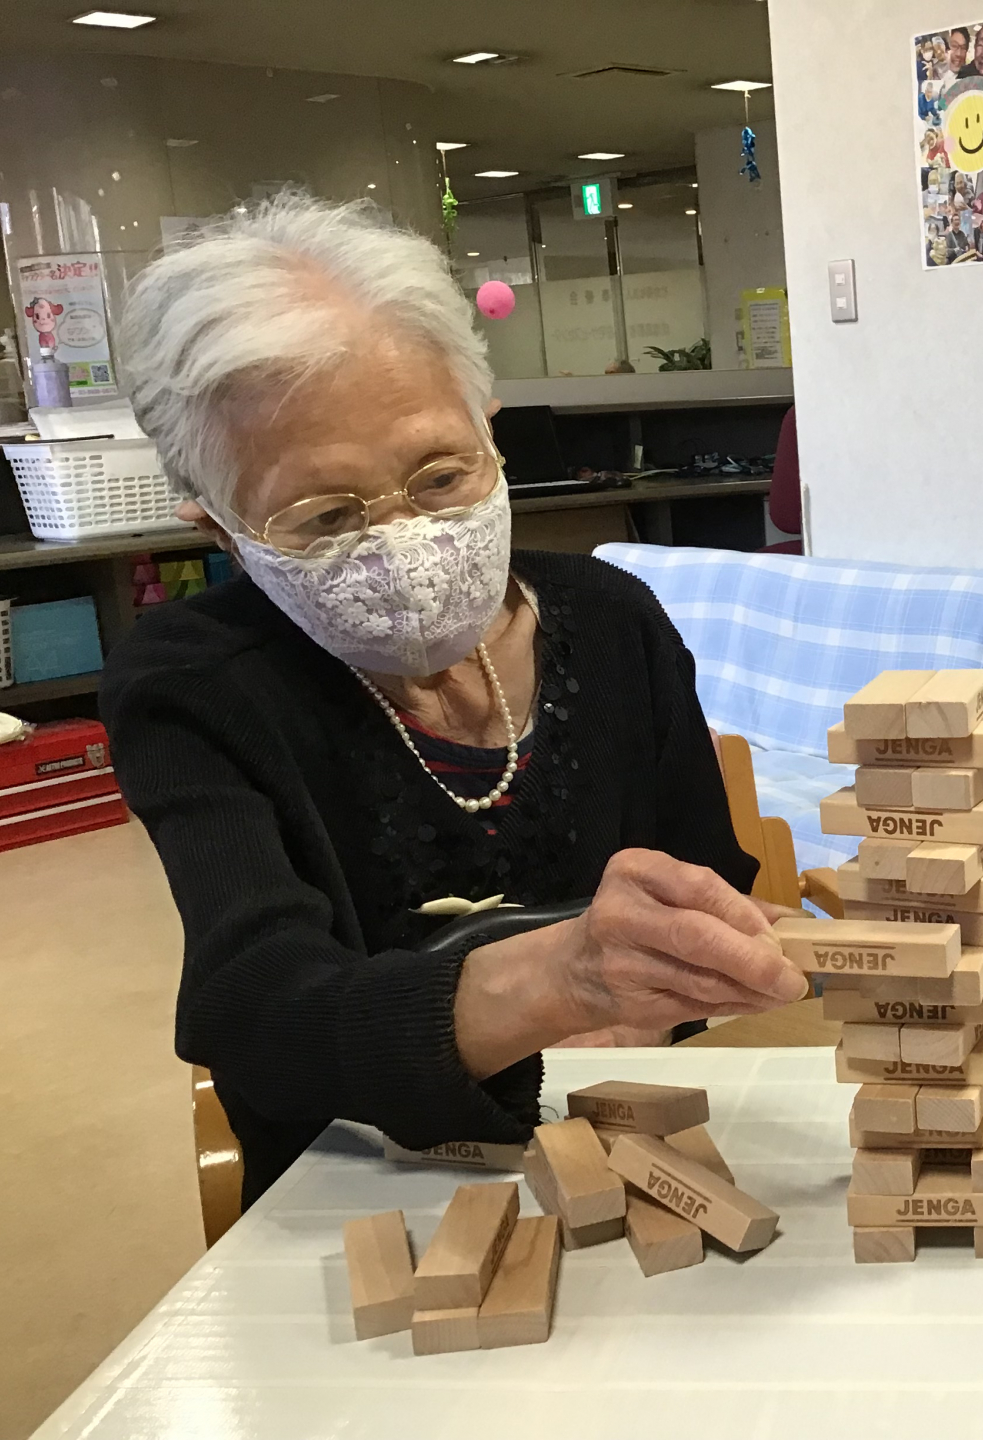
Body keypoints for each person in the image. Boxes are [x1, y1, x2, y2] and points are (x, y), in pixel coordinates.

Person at [100, 195, 811, 1205]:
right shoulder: (196, 683)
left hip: (637, 1149)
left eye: (439, 477)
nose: (404, 542)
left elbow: (706, 884)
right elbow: (259, 1014)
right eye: (325, 516)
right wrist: (561, 983)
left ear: (492, 434)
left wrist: (703, 975)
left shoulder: (613, 621)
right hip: (367, 1178)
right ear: (220, 529)